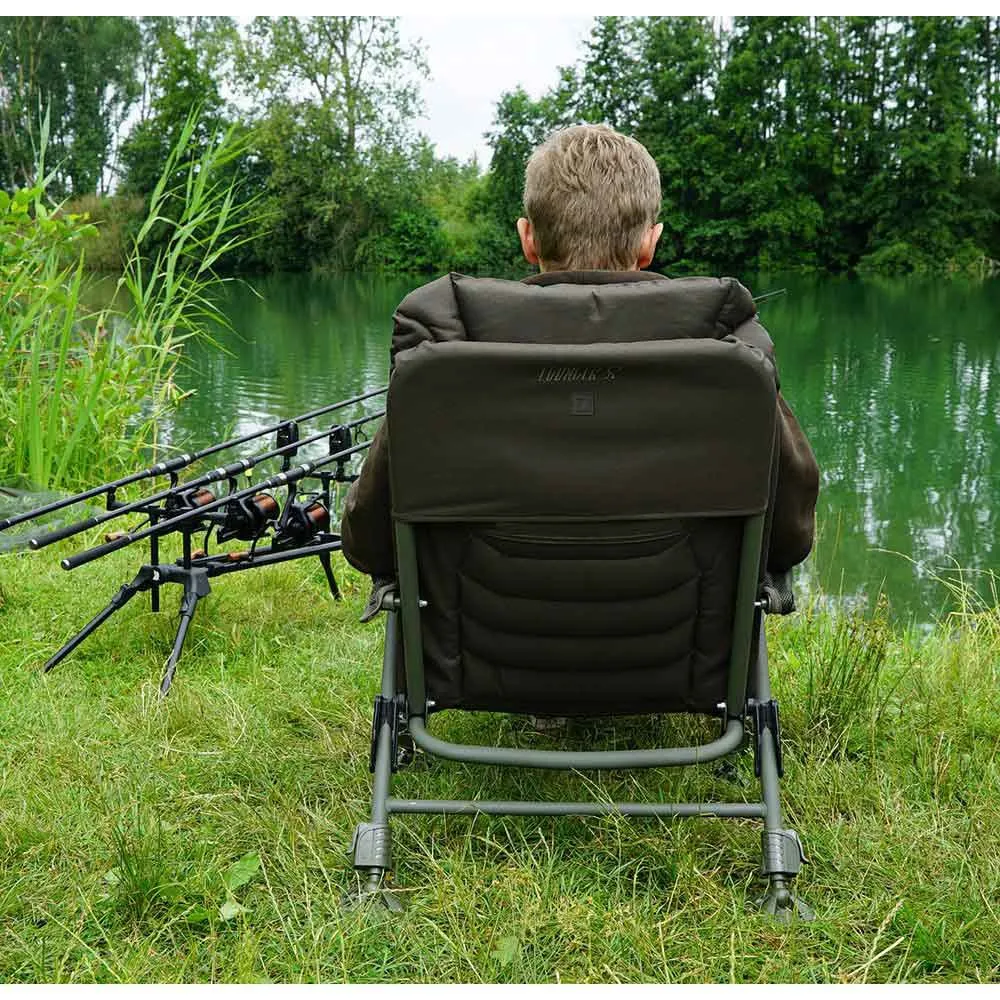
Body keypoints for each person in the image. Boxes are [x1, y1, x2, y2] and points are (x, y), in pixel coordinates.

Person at [340, 123, 819, 582]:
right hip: (685, 635)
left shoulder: (443, 360)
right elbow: (787, 540)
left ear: (528, 238)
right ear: (650, 243)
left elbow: (369, 543)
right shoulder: (729, 362)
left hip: (474, 635)